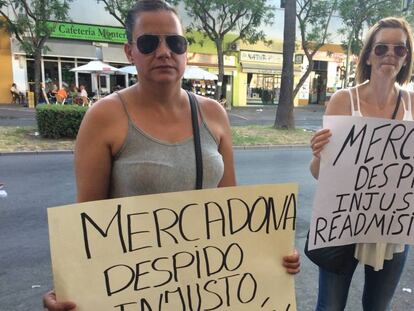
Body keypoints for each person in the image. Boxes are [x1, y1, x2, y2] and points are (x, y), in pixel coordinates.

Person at [42, 1, 300, 310]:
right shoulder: (105, 117)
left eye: (174, 42)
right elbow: (87, 221)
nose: (164, 52)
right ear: (129, 51)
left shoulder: (213, 114)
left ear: (185, 51)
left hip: (208, 289)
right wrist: (70, 285)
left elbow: (233, 211)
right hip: (136, 292)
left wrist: (273, 255)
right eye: (149, 42)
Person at [310, 17, 413, 311]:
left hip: (392, 230)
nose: (390, 55)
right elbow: (319, 174)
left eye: (400, 49)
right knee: (329, 307)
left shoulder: (413, 104)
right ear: (368, 55)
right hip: (342, 225)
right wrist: (319, 154)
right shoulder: (343, 101)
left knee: (377, 308)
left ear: (407, 58)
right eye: (381, 48)